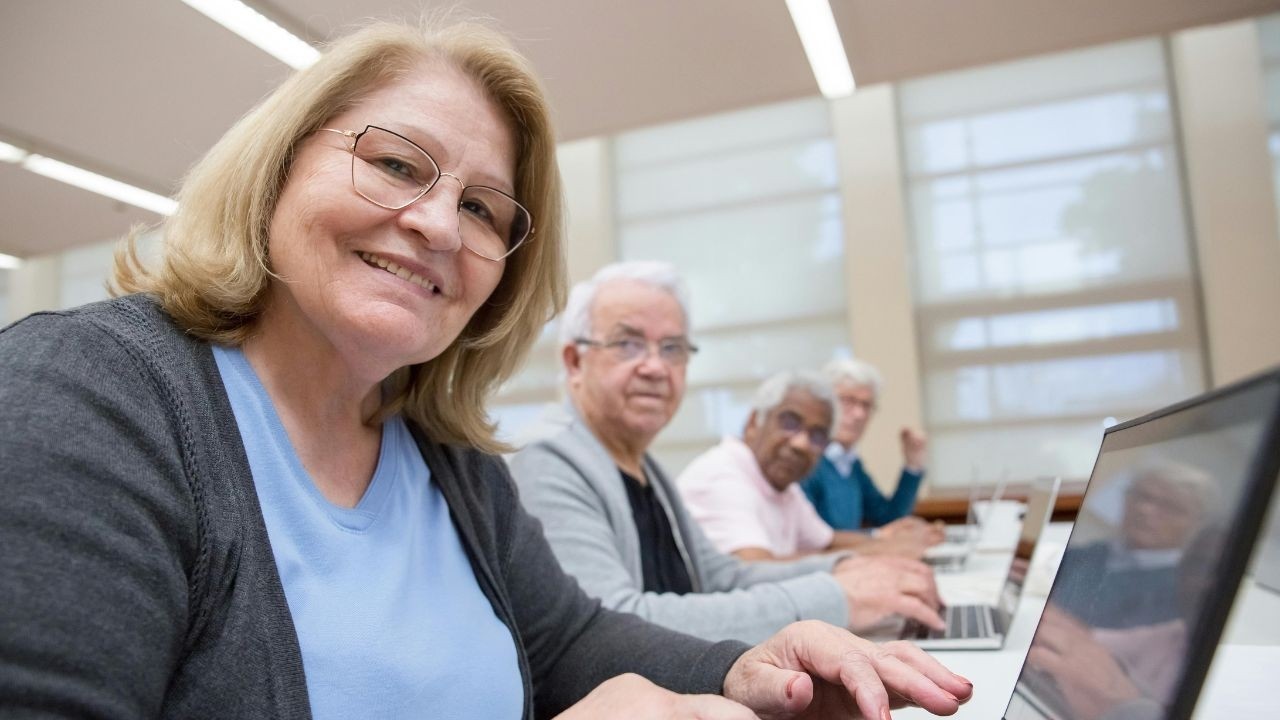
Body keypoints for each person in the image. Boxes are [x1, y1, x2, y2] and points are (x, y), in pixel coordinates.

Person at [0, 18, 973, 720]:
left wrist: (745, 667)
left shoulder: (446, 464)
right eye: (392, 163)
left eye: (480, 209)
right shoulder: (86, 394)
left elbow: (569, 642)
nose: (433, 223)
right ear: (275, 171)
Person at [510, 261, 946, 643]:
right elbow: (611, 626)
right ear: (573, 362)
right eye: (627, 344)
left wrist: (847, 569)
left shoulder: (645, 468)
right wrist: (833, 597)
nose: (656, 367)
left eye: (673, 348)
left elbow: (721, 578)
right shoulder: (547, 461)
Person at [677, 371, 941, 562]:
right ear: (753, 422)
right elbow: (756, 569)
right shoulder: (723, 476)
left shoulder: (782, 486)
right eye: (789, 422)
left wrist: (892, 542)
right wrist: (877, 549)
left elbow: (826, 541)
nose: (802, 444)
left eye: (817, 435)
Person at [800, 358, 932, 534]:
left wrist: (913, 465)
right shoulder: (803, 462)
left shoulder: (850, 463)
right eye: (847, 401)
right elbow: (812, 540)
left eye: (866, 405)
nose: (859, 414)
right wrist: (875, 538)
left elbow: (889, 519)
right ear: (823, 404)